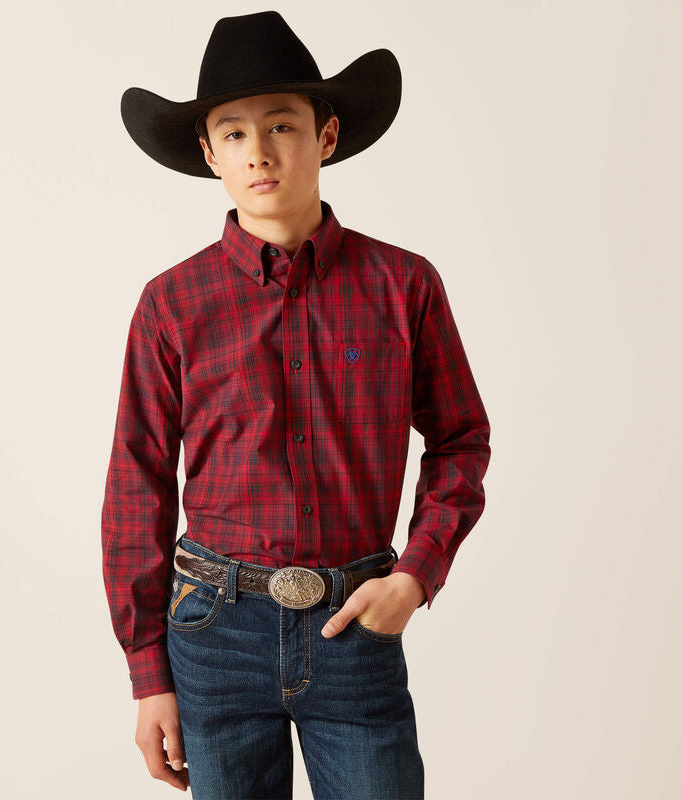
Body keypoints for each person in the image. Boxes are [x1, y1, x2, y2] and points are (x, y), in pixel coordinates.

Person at [101, 10, 491, 799]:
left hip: (357, 624)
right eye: (234, 132)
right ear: (210, 153)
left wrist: (415, 575)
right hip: (214, 633)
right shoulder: (172, 304)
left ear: (327, 136)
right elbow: (137, 482)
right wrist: (147, 673)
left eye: (281, 125)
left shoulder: (403, 286)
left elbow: (460, 440)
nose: (259, 151)